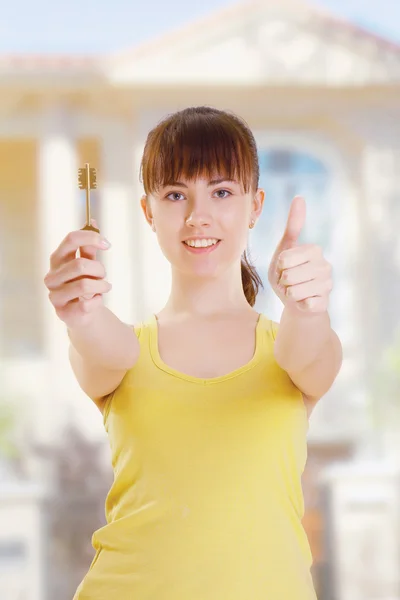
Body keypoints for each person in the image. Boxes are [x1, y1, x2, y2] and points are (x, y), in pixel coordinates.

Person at [44, 106, 342, 599]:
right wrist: (82, 313)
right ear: (148, 212)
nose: (198, 215)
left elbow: (308, 353)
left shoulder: (292, 347)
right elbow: (102, 344)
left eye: (222, 192)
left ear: (255, 205)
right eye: (176, 194)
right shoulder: (122, 351)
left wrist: (308, 309)